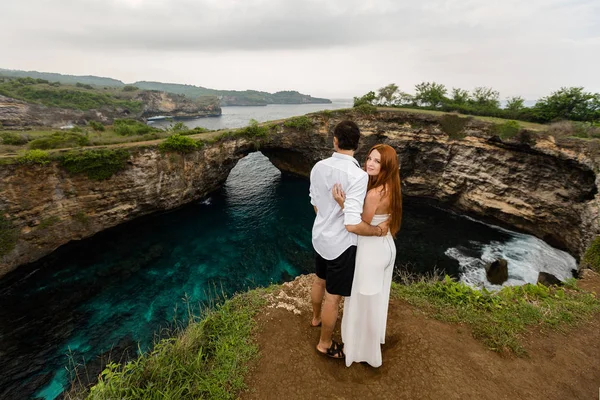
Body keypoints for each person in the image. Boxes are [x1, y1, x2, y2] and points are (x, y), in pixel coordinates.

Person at [309, 120, 389, 359]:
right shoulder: (358, 176)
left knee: (319, 280)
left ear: (335, 140)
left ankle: (314, 318)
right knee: (333, 297)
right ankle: (325, 344)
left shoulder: (318, 167)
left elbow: (315, 204)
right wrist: (376, 232)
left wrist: (328, 216)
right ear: (357, 144)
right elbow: (352, 223)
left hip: (320, 236)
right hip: (341, 245)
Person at [332, 144, 402, 367]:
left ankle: (356, 350)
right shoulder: (391, 187)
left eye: (377, 161)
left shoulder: (374, 194)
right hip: (386, 247)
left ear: (387, 166)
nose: (370, 163)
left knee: (361, 301)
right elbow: (386, 218)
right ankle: (370, 344)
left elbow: (357, 225)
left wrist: (342, 203)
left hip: (371, 250)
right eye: (369, 158)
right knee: (375, 299)